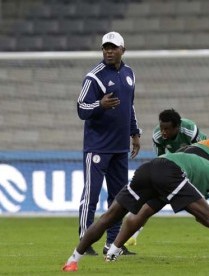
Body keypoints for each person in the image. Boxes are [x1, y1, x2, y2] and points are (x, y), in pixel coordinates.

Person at [62, 152, 209, 273]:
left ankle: (73, 260)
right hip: (169, 173)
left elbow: (197, 211)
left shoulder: (201, 174)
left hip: (148, 169)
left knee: (109, 216)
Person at [76, 31, 141, 256]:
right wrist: (99, 105)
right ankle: (85, 243)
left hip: (120, 147)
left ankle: (113, 243)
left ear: (123, 50)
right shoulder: (94, 77)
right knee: (91, 196)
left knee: (119, 198)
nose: (108, 51)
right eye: (105, 47)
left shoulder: (129, 73)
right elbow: (81, 109)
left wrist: (135, 132)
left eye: (113, 47)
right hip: (98, 147)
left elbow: (129, 106)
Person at [125, 109, 207, 246]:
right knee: (148, 202)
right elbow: (161, 160)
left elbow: (204, 152)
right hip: (176, 169)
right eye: (162, 128)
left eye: (167, 129)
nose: (163, 132)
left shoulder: (190, 130)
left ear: (177, 127)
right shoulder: (158, 136)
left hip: (199, 167)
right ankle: (133, 235)